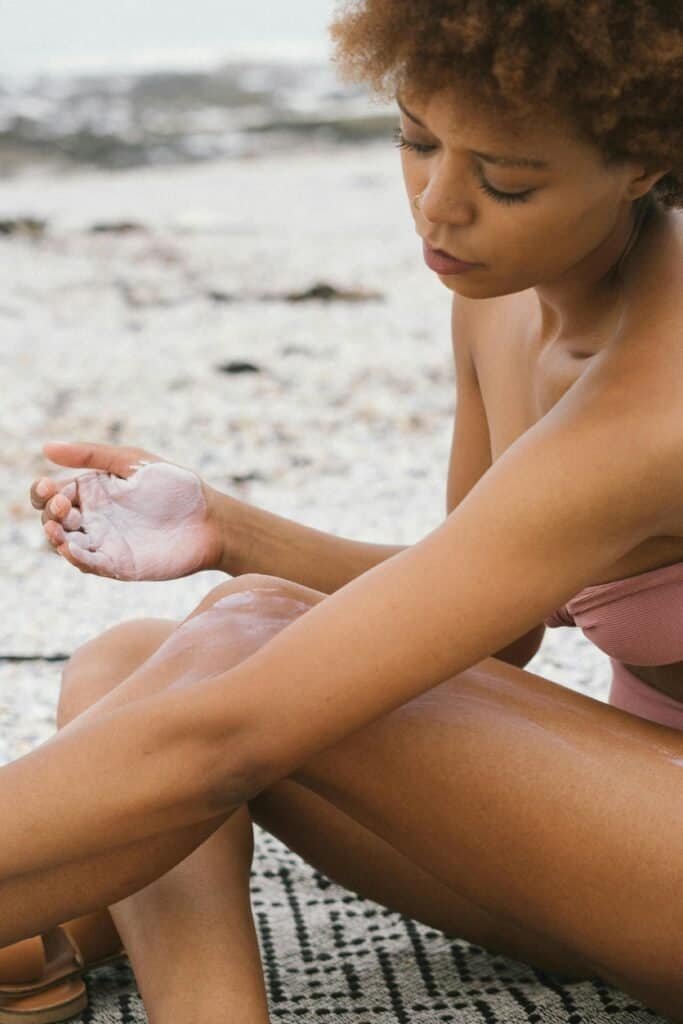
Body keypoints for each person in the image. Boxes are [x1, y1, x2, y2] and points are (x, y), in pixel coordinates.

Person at [0, 1, 682, 1021]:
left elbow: (230, 732)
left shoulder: (656, 395)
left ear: (641, 162)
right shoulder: (497, 300)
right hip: (615, 840)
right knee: (128, 660)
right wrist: (228, 534)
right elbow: (494, 634)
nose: (437, 205)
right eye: (413, 141)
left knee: (238, 661)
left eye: (503, 179)